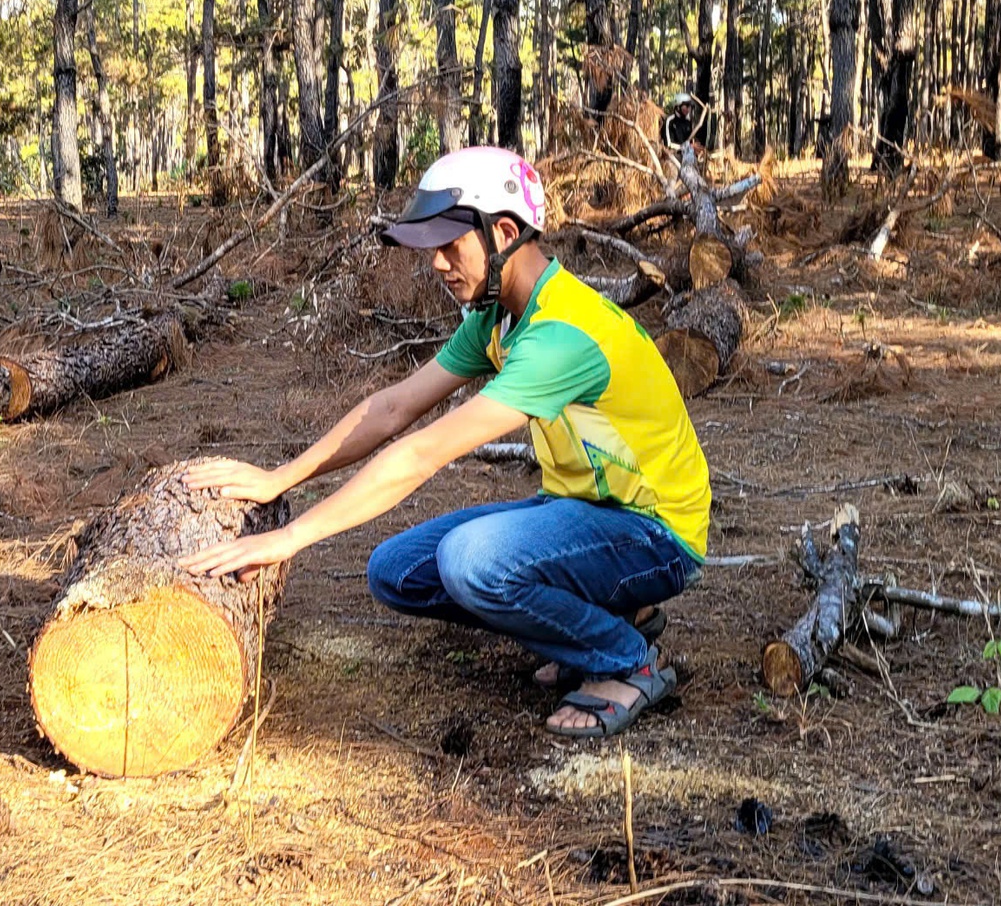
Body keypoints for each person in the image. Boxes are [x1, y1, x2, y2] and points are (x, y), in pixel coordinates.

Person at [178, 146, 710, 738]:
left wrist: (292, 537)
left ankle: (625, 660)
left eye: (449, 245)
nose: (436, 263)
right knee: (396, 571)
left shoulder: (562, 335)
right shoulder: (501, 316)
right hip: (583, 515)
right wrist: (280, 479)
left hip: (656, 535)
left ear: (503, 232)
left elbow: (423, 452)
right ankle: (610, 612)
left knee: (470, 563)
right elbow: (394, 407)